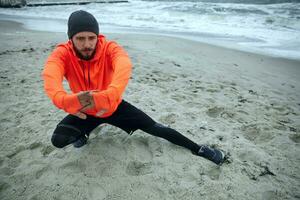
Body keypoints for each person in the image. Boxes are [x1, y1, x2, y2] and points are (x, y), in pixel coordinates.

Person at [42, 10, 225, 165]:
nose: (87, 44)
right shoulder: (62, 54)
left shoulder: (110, 48)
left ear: (98, 36)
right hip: (84, 109)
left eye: (92, 38)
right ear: (70, 39)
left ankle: (198, 148)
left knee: (156, 128)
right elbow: (51, 80)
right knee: (58, 140)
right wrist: (67, 101)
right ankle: (84, 133)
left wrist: (110, 95)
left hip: (113, 105)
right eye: (80, 38)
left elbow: (124, 65)